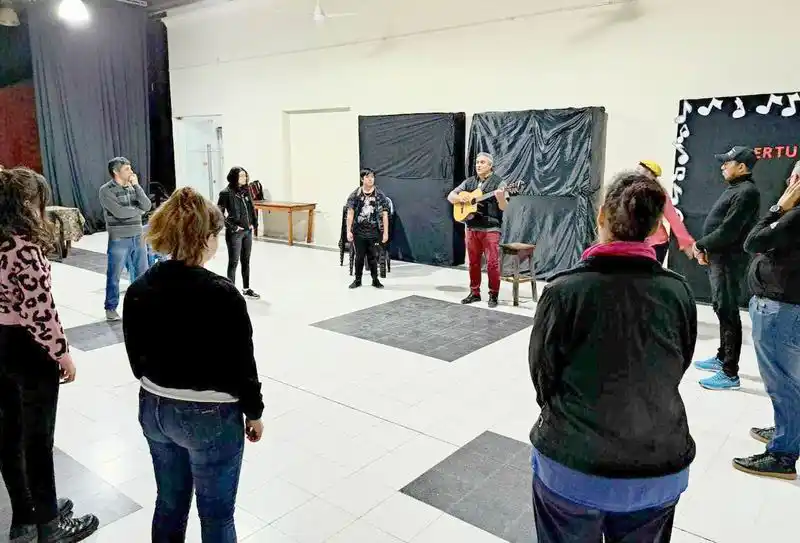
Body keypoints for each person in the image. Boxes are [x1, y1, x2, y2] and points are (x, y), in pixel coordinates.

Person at [528, 171, 697, 543]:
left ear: (601, 215)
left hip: (573, 466)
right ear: (654, 227)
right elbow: (678, 364)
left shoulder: (564, 290)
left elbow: (543, 376)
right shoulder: (678, 292)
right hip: (658, 467)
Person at [122, 187, 264, 543]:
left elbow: (136, 360)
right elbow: (242, 364)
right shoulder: (222, 294)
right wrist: (254, 412)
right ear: (206, 238)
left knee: (169, 504)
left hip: (154, 408)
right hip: (209, 414)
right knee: (216, 517)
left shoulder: (140, 288)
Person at [0, 168, 99, 543]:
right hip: (27, 348)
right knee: (38, 439)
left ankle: (25, 516)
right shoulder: (24, 248)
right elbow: (39, 312)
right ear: (27, 204)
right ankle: (50, 526)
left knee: (9, 435)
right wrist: (63, 354)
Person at [732, 161, 800, 480]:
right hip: (784, 309)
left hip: (781, 311)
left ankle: (783, 454)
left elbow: (753, 242)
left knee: (783, 384)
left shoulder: (794, 215)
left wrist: (778, 207)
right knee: (789, 382)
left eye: (796, 176)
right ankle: (789, 430)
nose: (790, 181)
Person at [693, 146, 761, 391]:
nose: (722, 166)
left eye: (727, 162)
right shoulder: (737, 189)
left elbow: (729, 231)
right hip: (720, 258)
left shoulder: (747, 192)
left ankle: (730, 373)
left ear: (741, 167)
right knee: (721, 307)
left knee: (728, 310)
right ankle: (722, 357)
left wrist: (700, 244)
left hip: (729, 261)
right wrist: (707, 249)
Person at [447, 152, 508, 308]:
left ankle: (493, 294)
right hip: (472, 228)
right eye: (477, 163)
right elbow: (450, 196)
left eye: (482, 163)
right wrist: (461, 198)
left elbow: (503, 206)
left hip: (491, 229)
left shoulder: (499, 183)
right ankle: (474, 293)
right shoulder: (469, 182)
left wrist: (500, 197)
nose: (478, 165)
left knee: (492, 264)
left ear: (490, 165)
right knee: (473, 263)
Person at [99, 157, 152, 321]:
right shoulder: (106, 190)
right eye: (127, 169)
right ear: (116, 172)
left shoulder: (132, 187)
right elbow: (120, 213)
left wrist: (137, 186)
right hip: (119, 239)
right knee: (114, 275)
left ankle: (141, 305)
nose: (131, 171)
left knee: (142, 273)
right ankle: (110, 308)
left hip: (138, 236)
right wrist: (139, 211)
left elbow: (147, 206)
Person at [638, 160, 696, 264]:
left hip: (656, 243)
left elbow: (673, 219)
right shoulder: (630, 191)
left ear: (651, 175)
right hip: (637, 243)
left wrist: (686, 243)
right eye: (637, 170)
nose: (637, 173)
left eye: (641, 170)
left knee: (650, 272)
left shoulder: (659, 194)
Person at [217, 166, 260, 299]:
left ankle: (246, 289)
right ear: (234, 177)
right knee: (233, 262)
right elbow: (219, 213)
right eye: (241, 176)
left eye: (245, 175)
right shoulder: (225, 193)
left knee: (246, 261)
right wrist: (233, 227)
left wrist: (254, 223)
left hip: (247, 231)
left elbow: (251, 208)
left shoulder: (246, 191)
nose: (244, 178)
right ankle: (231, 292)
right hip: (235, 233)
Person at [346, 168, 389, 289]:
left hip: (374, 231)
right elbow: (350, 213)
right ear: (362, 179)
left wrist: (385, 232)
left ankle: (375, 280)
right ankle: (357, 280)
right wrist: (348, 231)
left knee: (373, 257)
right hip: (358, 231)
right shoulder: (355, 195)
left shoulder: (379, 195)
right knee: (359, 257)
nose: (370, 179)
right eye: (367, 177)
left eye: (372, 177)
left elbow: (385, 214)